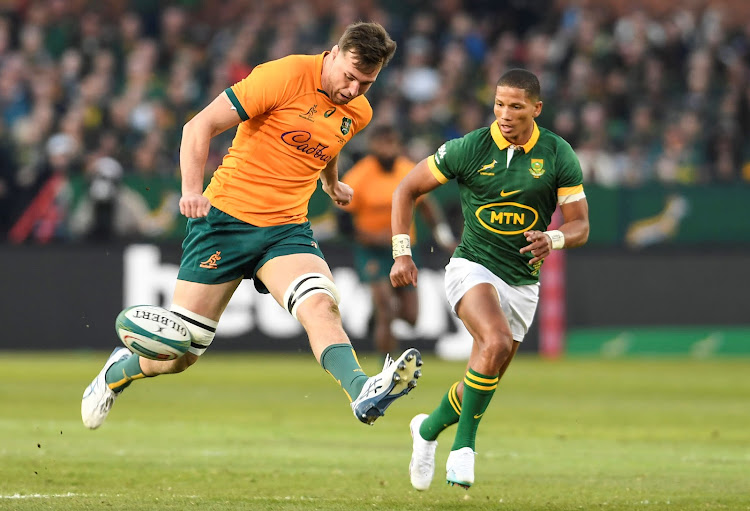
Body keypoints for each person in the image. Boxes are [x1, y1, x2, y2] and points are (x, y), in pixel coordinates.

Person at [82, 21, 423, 431]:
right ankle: (116, 373)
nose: (353, 90)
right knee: (177, 356)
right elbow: (198, 126)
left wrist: (331, 184)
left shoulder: (359, 111)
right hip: (225, 222)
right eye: (349, 77)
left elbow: (329, 142)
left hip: (286, 228)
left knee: (321, 305)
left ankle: (361, 388)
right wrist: (192, 190)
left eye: (365, 83)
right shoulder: (281, 76)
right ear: (333, 54)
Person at [390, 68, 589, 490]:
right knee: (494, 343)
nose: (505, 114)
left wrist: (553, 238)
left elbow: (580, 226)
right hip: (472, 267)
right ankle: (464, 450)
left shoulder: (557, 154)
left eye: (515, 106)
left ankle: (425, 432)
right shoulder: (470, 148)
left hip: (523, 283)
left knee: (487, 373)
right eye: (499, 104)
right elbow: (406, 188)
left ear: (536, 108)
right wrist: (402, 253)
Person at [338, 124, 456, 354]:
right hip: (372, 251)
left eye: (391, 143)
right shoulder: (360, 175)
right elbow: (343, 222)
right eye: (382, 143)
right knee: (386, 309)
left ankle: (376, 316)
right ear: (372, 146)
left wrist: (443, 237)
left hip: (403, 250)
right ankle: (386, 371)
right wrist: (371, 237)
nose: (388, 149)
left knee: (411, 317)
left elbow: (427, 207)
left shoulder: (407, 170)